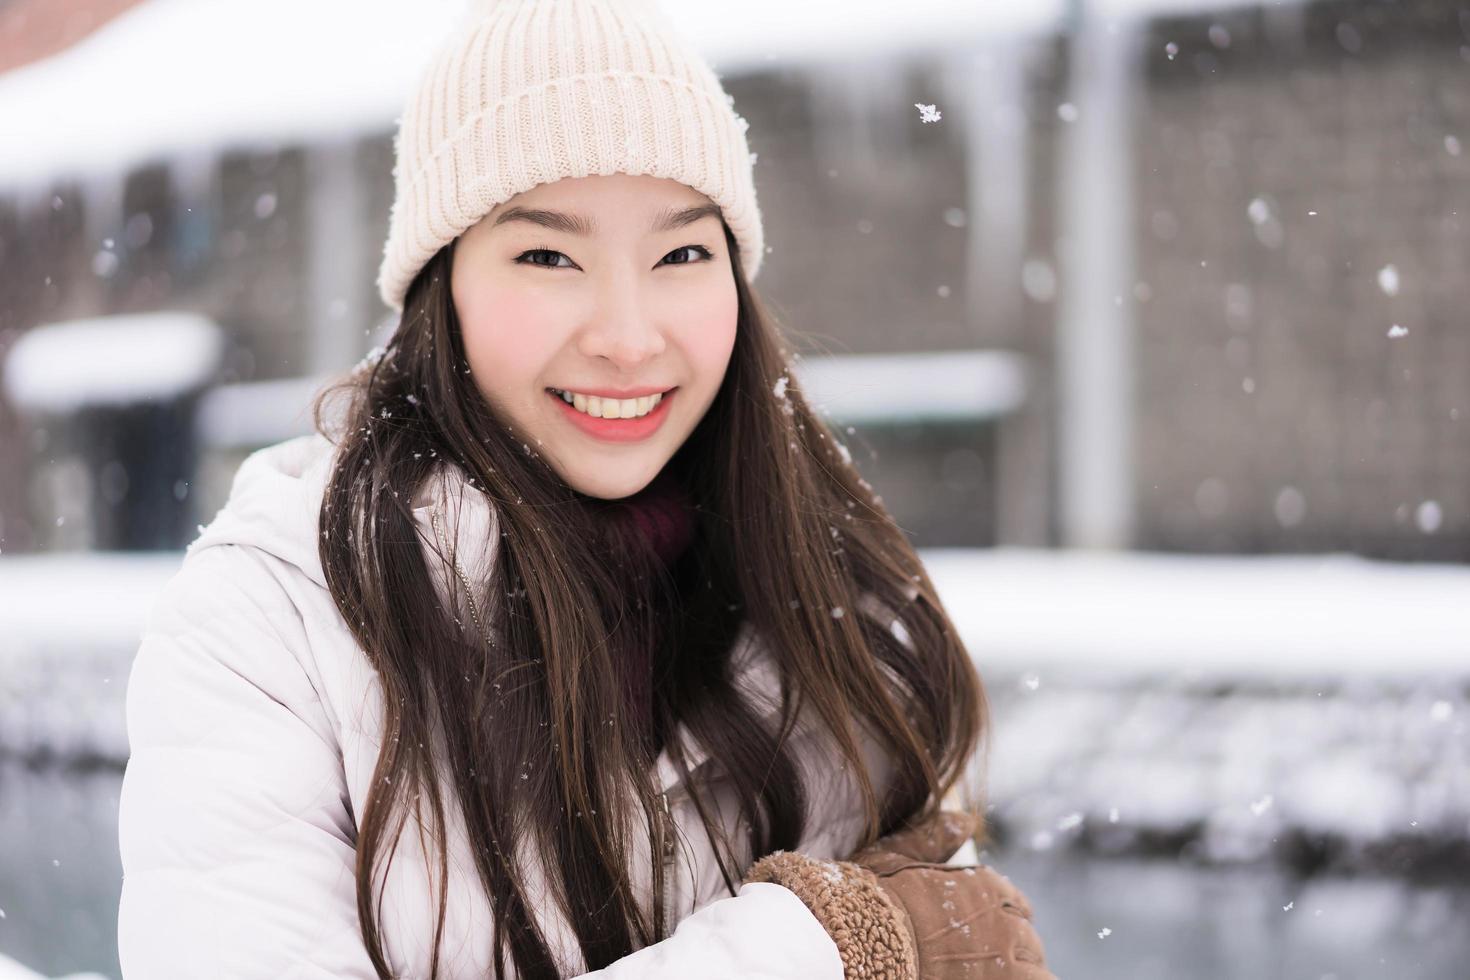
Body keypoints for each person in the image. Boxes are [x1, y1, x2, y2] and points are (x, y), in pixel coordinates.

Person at [116, 1, 1055, 977]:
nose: (627, 333)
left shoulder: (829, 602)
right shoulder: (271, 614)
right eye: (548, 255)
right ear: (444, 290)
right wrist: (821, 946)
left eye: (683, 253)